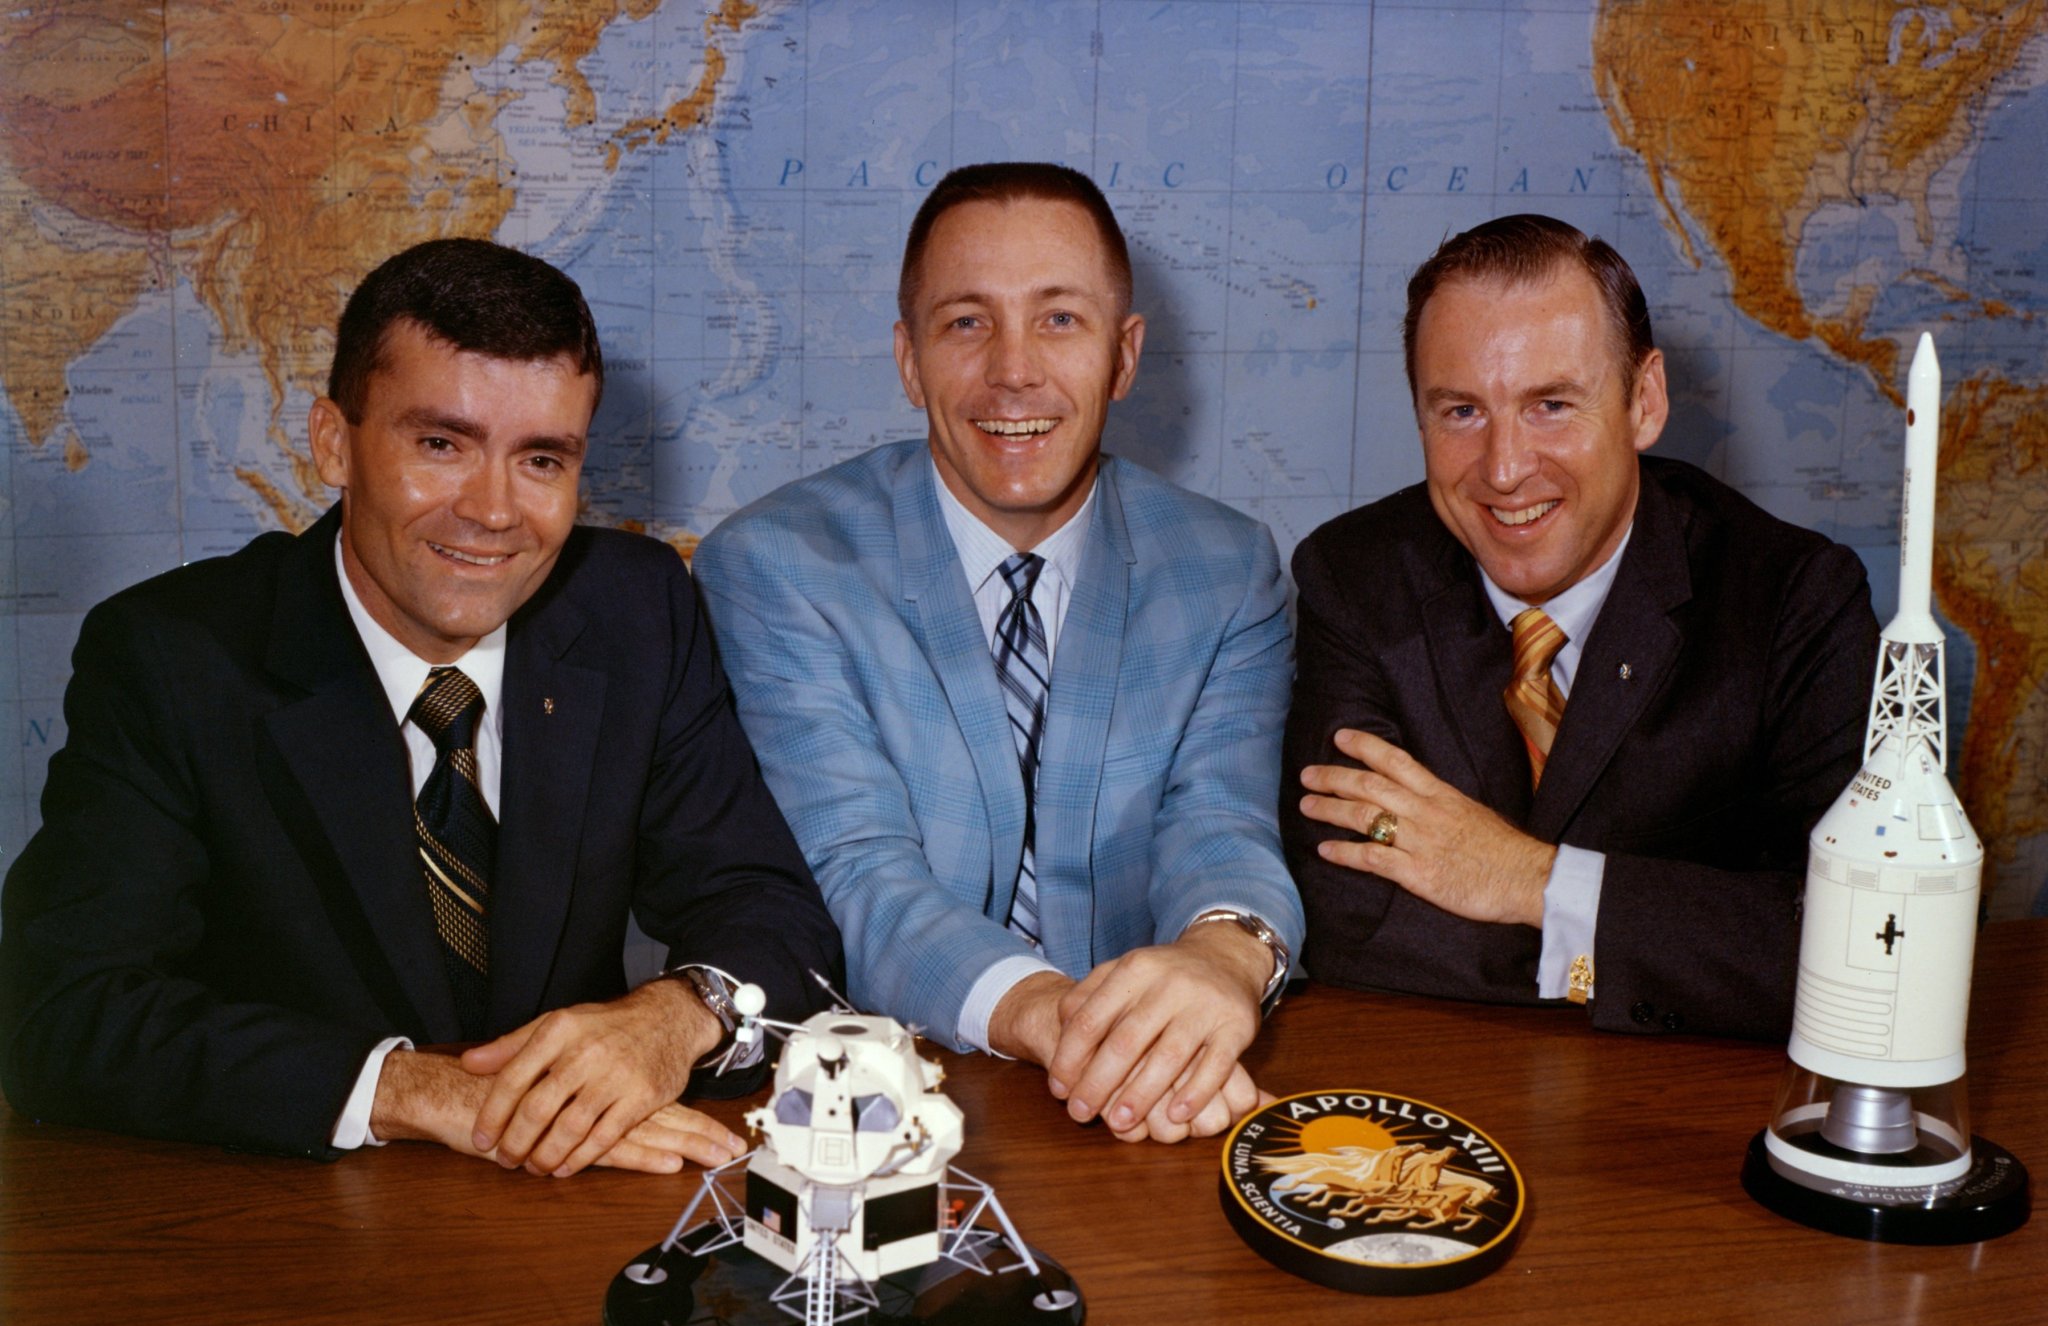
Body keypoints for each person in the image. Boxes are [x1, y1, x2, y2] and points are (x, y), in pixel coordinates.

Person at [0, 239, 840, 1172]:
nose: (492, 511)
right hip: (284, 1222)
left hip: (572, 1203)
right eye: (441, 444)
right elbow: (60, 1013)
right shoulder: (174, 657)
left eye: (542, 459)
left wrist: (679, 1015)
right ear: (333, 442)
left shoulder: (636, 609)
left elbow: (767, 908)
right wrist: (421, 1090)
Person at [694, 163, 1302, 1143]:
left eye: (1059, 319)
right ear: (907, 358)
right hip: (877, 1118)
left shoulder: (1228, 568)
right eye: (966, 322)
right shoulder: (775, 565)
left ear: (1124, 354)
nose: (1012, 370)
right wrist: (1067, 1020)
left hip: (1153, 1112)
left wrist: (1222, 960)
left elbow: (1220, 823)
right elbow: (855, 873)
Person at [1283, 214, 1879, 1041]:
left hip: (1679, 1115)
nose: (1503, 468)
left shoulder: (1795, 601)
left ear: (1645, 401)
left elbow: (1858, 946)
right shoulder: (1353, 576)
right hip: (1438, 1083)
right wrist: (1683, 932)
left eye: (1551, 405)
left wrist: (1529, 880)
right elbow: (1353, 927)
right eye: (1460, 411)